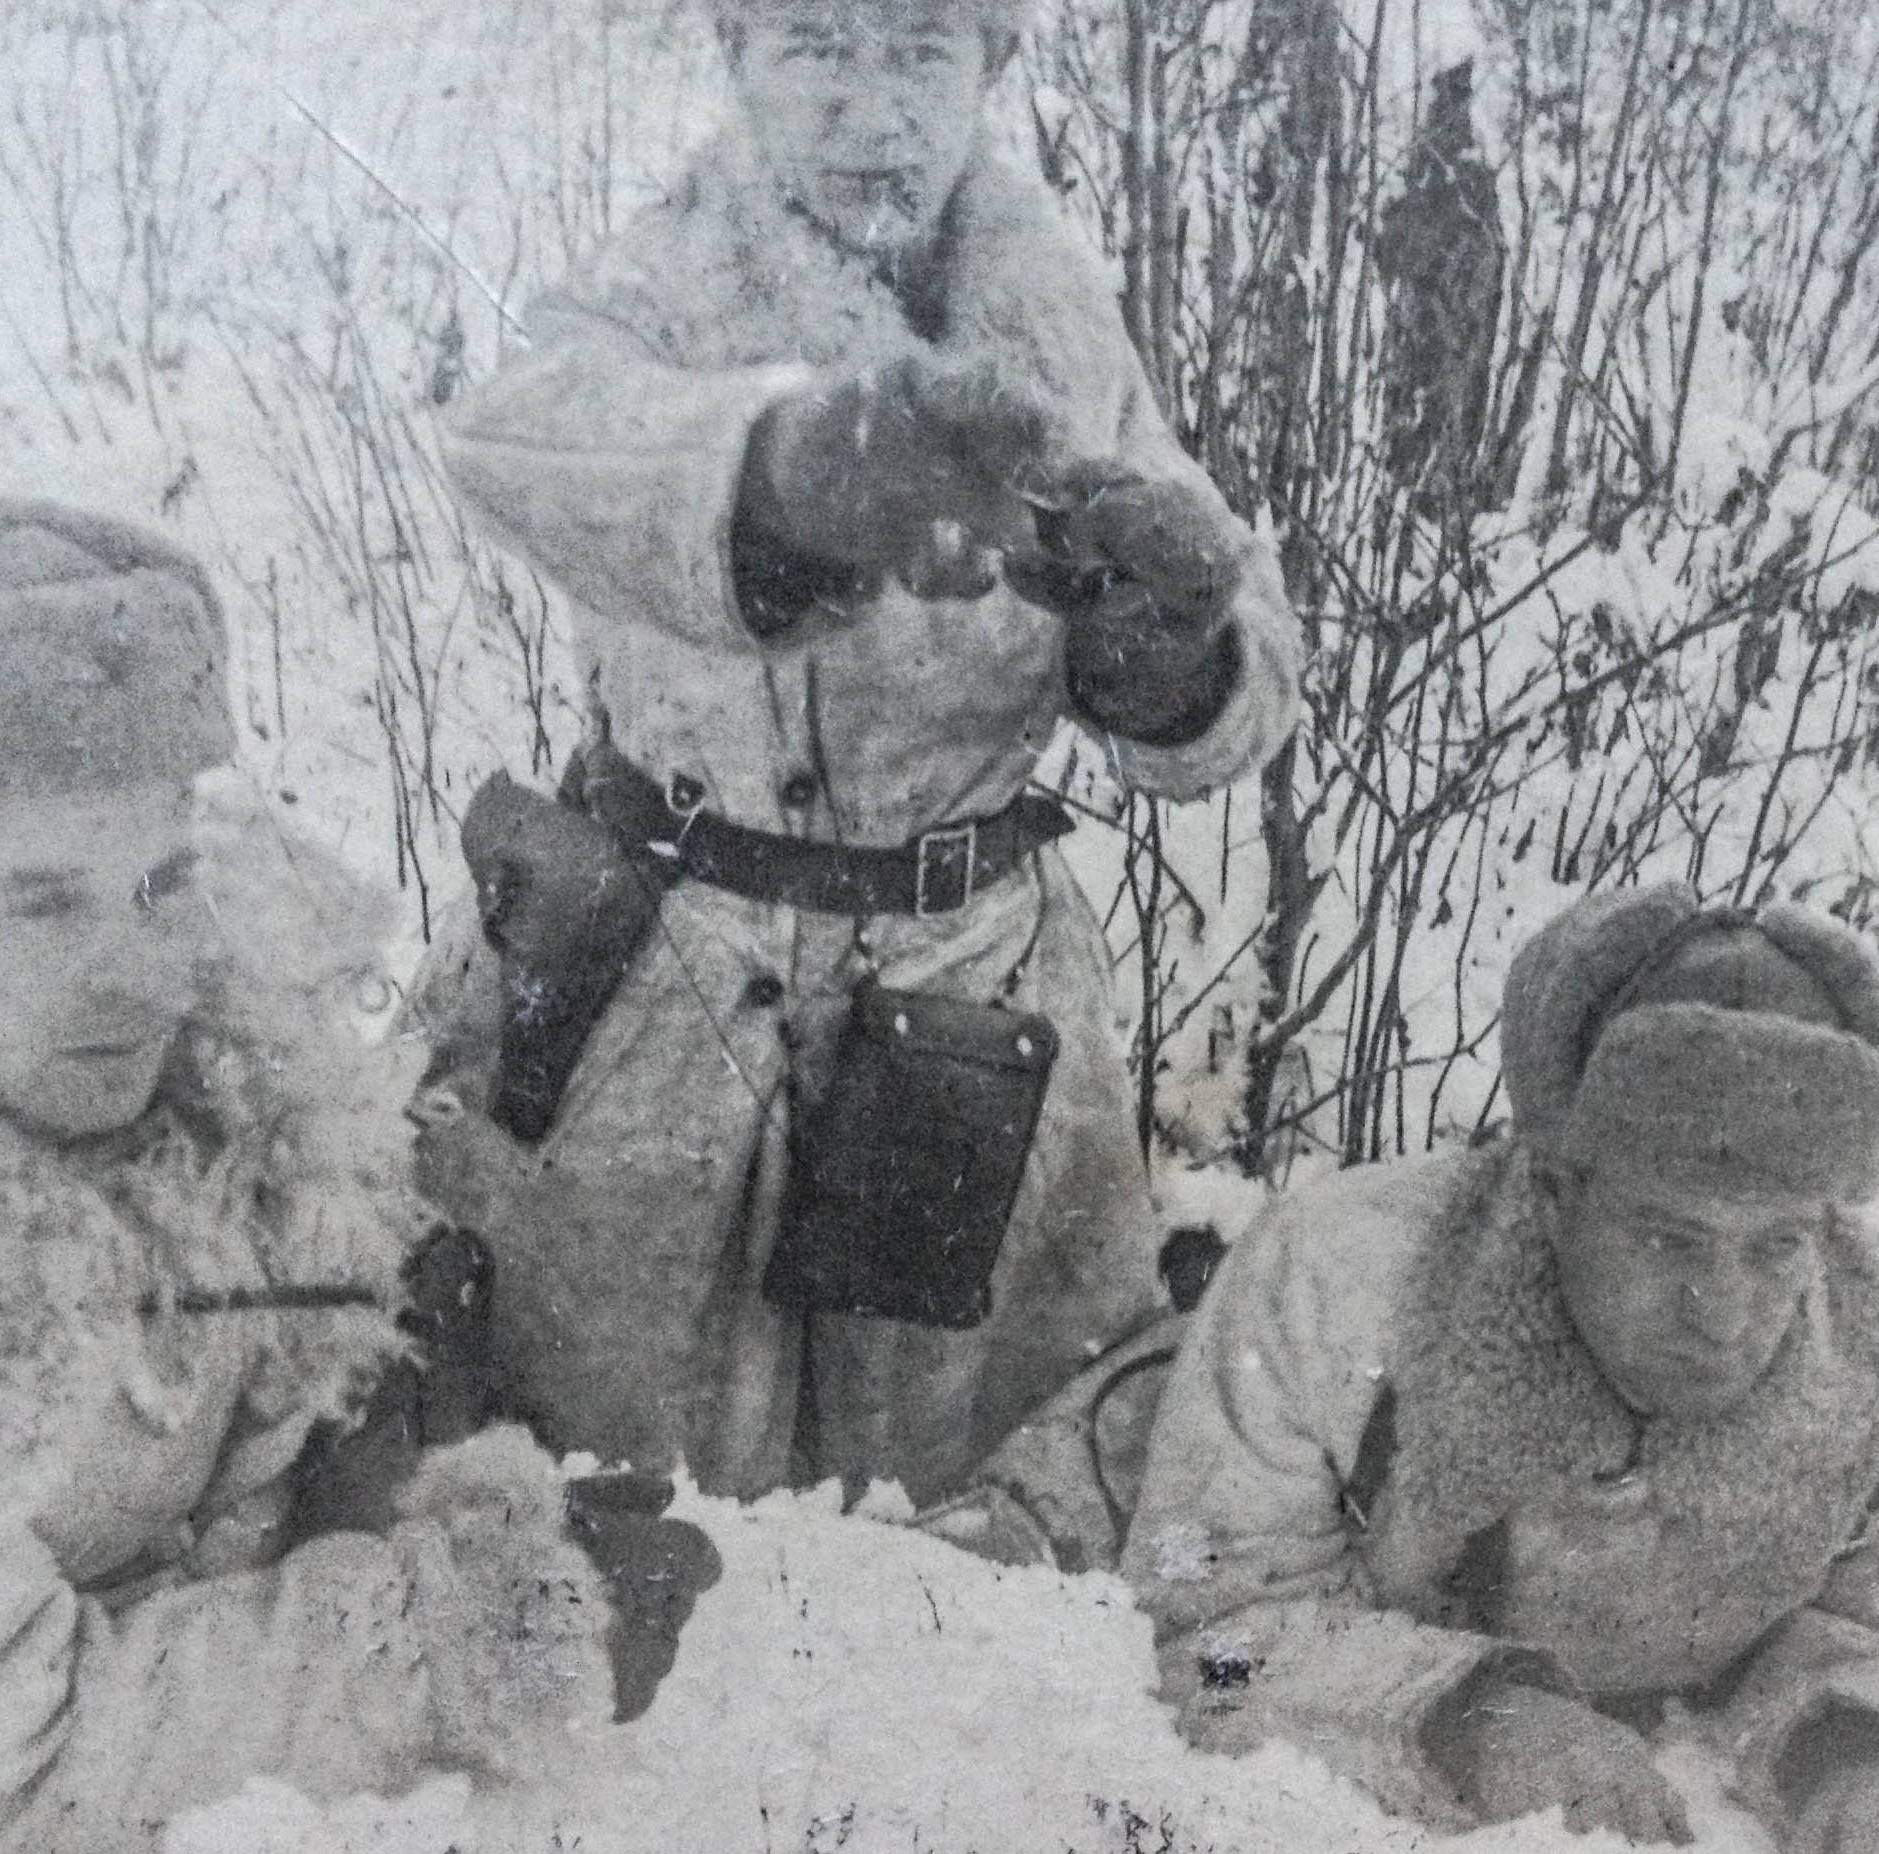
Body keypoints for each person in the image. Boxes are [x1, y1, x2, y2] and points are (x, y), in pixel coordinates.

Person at [412, 0, 1301, 1510]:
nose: (871, 108)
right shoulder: (663, 286)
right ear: (735, 55)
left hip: (972, 1010)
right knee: (610, 1507)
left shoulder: (1054, 329)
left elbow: (1246, 649)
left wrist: (1167, 655)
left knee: (981, 1521)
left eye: (920, 48)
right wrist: (788, 470)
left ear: (993, 67)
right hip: (661, 997)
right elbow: (516, 440)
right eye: (817, 45)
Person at [0, 498, 707, 1854]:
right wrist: (453, 1636)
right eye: (39, 902)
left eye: (162, 881)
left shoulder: (236, 1105)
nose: (138, 969)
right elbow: (1, 1754)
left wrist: (411, 1490)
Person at [1121, 885, 1879, 1852]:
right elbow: (1198, 1634)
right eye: (1668, 1239)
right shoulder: (1335, 1283)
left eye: (1776, 1247)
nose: (1723, 1317)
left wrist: (1878, 1760)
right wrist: (1473, 1720)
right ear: (1555, 1197)